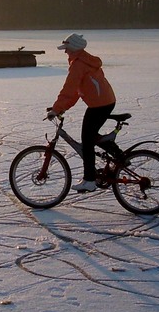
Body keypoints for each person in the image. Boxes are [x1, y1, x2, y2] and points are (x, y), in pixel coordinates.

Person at [46, 33, 125, 193]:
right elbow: (76, 91)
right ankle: (120, 156)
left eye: (67, 48)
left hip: (99, 105)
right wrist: (61, 108)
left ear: (74, 48)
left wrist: (56, 109)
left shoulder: (78, 65)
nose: (65, 51)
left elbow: (68, 90)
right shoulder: (86, 60)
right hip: (105, 102)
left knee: (87, 142)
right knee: (90, 136)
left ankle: (89, 180)